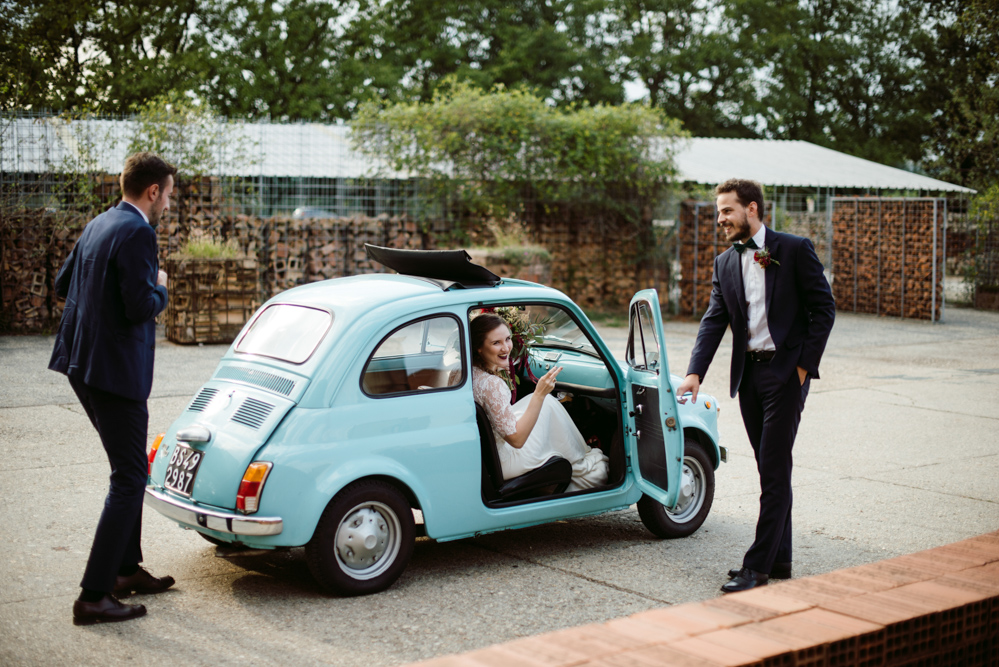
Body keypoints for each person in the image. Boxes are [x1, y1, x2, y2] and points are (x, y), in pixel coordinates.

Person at [676, 179, 835, 593]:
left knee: (775, 468)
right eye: (718, 212)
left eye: (726, 211)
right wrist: (695, 372)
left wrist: (803, 368)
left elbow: (824, 309)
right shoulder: (725, 262)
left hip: (785, 376)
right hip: (748, 378)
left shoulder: (794, 249)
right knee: (771, 469)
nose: (720, 219)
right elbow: (715, 320)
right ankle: (780, 557)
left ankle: (757, 567)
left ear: (752, 209)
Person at [49, 152, 178, 625]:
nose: (169, 202)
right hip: (115, 373)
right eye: (168, 194)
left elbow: (65, 284)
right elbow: (141, 305)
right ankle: (94, 594)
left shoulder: (100, 222)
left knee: (128, 468)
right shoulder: (139, 232)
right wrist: (161, 286)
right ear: (152, 192)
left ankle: (126, 569)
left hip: (81, 364)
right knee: (129, 477)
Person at [470, 313, 609, 492]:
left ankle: (580, 453)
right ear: (479, 348)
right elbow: (517, 440)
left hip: (483, 455)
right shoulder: (492, 384)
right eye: (496, 343)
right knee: (546, 402)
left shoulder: (464, 372)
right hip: (502, 461)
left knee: (547, 404)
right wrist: (539, 393)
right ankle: (582, 463)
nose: (506, 348)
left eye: (507, 339)